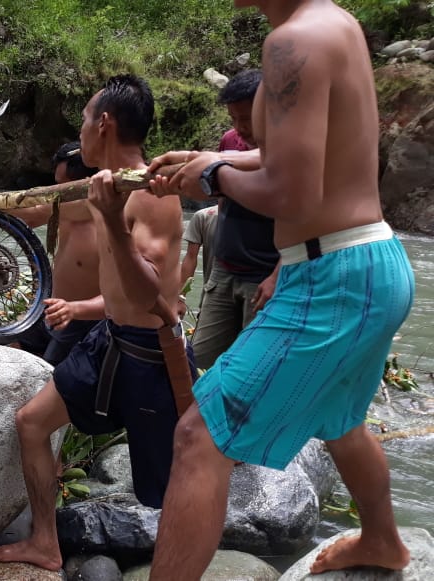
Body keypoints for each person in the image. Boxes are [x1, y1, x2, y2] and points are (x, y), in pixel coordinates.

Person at [145, 0, 415, 577]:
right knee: (341, 420)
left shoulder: (292, 41)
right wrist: (214, 156)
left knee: (199, 436)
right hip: (369, 261)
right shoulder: (333, 22)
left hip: (333, 276)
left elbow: (294, 195)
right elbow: (305, 150)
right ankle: (382, 540)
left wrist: (213, 179)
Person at [0, 75, 195, 571]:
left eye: (83, 118)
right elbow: (35, 204)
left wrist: (115, 218)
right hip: (110, 341)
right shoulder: (97, 185)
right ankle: (45, 541)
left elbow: (149, 290)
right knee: (31, 423)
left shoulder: (150, 193)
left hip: (150, 352)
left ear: (103, 124)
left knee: (169, 486)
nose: (80, 130)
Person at [0, 142, 101, 366]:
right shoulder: (66, 205)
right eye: (57, 183)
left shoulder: (93, 202)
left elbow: (34, 212)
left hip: (79, 315)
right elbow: (29, 218)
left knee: (48, 375)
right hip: (50, 306)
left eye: (63, 184)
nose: (57, 188)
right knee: (14, 355)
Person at [190, 68, 281, 368]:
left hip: (264, 275)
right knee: (200, 359)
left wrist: (277, 276)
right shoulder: (229, 141)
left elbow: (304, 222)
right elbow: (219, 194)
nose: (239, 127)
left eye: (247, 118)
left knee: (252, 366)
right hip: (224, 269)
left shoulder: (291, 150)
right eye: (233, 119)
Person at [180, 203, 218, 313]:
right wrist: (180, 297)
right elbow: (190, 258)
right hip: (212, 295)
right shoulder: (204, 216)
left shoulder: (204, 215)